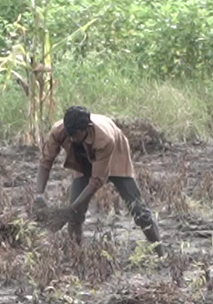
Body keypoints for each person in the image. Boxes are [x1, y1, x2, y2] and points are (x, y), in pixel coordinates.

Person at [34, 106, 161, 247]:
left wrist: (69, 210)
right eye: (69, 134)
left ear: (86, 128)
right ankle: (76, 254)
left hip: (115, 154)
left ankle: (160, 253)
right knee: (75, 217)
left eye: (75, 135)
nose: (71, 138)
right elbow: (46, 161)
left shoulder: (105, 139)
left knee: (138, 210)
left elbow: (96, 181)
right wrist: (39, 195)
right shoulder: (59, 131)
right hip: (82, 157)